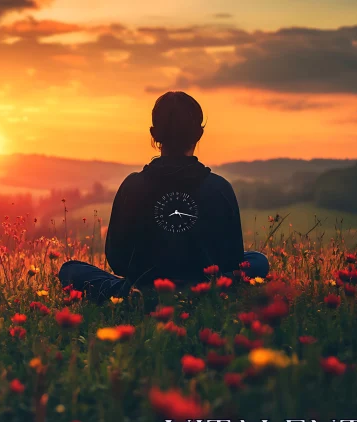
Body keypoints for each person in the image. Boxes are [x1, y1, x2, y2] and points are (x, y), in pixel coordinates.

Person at [58, 91, 268, 302]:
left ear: (154, 133)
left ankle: (140, 298)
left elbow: (118, 261)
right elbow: (234, 261)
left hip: (142, 293)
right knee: (258, 261)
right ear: (199, 134)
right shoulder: (220, 188)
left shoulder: (132, 186)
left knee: (71, 270)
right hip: (204, 291)